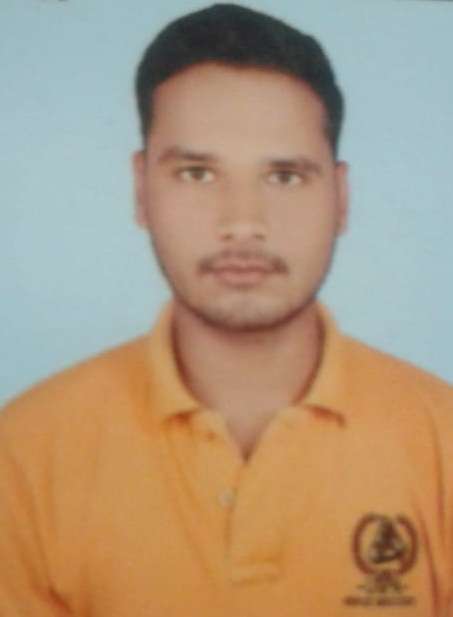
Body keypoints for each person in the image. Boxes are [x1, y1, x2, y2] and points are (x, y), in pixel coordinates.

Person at [1, 3, 452, 616]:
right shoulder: (23, 455)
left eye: (285, 176)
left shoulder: (442, 442)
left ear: (342, 198)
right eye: (197, 173)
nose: (242, 222)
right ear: (141, 190)